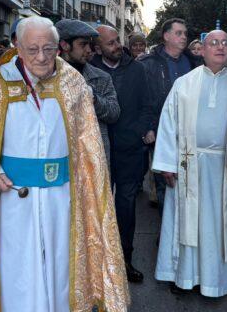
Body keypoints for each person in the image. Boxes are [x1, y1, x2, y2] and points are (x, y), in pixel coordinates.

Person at [0, 16, 129, 312]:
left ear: (59, 47)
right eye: (33, 50)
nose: (42, 57)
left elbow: (88, 144)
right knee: (16, 269)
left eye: (49, 48)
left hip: (62, 197)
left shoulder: (73, 82)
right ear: (17, 47)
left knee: (59, 266)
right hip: (12, 201)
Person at [153, 29, 227, 297]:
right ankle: (185, 276)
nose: (219, 47)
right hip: (189, 166)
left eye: (224, 43)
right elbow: (168, 123)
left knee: (223, 226)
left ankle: (222, 280)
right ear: (203, 50)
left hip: (226, 168)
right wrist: (167, 162)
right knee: (186, 223)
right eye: (213, 43)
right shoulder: (184, 83)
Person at [91, 25, 157, 283]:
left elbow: (148, 104)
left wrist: (139, 132)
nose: (117, 46)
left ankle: (125, 260)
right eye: (110, 44)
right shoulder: (88, 71)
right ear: (98, 48)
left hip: (129, 151)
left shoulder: (136, 69)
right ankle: (99, 263)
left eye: (117, 41)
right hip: (99, 151)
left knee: (126, 207)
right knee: (99, 206)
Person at [139, 18, 200, 214]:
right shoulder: (148, 64)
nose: (184, 37)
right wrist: (147, 127)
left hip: (190, 131)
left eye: (185, 33)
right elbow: (141, 99)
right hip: (160, 132)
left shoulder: (194, 62)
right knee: (165, 183)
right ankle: (167, 234)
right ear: (166, 36)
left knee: (189, 182)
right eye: (179, 33)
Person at [56, 19, 120, 162]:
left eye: (89, 45)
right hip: (58, 156)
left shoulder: (101, 77)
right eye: (83, 44)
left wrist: (94, 99)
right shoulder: (46, 77)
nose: (88, 50)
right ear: (64, 45)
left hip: (92, 158)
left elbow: (114, 113)